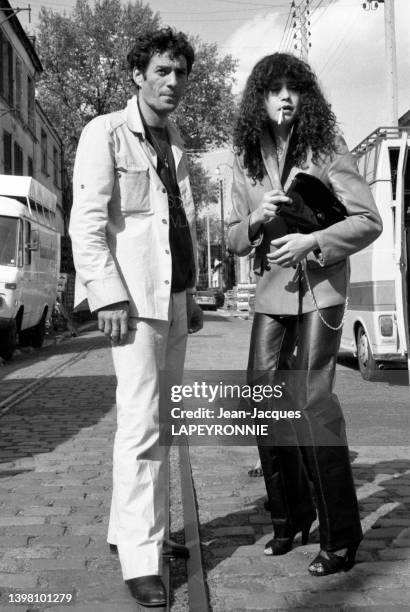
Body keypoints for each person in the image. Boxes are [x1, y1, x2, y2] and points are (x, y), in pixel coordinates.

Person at [228, 53, 382, 577]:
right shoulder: (245, 158)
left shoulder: (326, 147)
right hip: (272, 294)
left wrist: (313, 239)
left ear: (306, 96)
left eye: (295, 88)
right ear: (260, 98)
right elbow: (230, 239)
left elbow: (368, 221)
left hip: (321, 290)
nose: (285, 97)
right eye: (274, 90)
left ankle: (341, 536)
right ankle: (290, 518)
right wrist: (254, 219)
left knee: (313, 400)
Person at [69, 28, 203, 607]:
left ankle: (130, 531)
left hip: (173, 299)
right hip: (135, 300)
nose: (173, 83)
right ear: (138, 75)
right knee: (142, 424)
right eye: (163, 72)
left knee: (162, 424)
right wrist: (108, 296)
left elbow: (182, 225)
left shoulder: (174, 144)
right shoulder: (105, 132)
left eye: (181, 74)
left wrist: (192, 294)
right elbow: (88, 223)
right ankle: (143, 560)